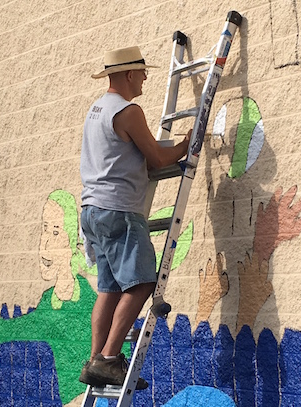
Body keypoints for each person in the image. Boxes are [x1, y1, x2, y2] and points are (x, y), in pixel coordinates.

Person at [78, 45, 190, 389]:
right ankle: (110, 358)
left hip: (92, 210)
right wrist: (188, 143)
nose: (145, 77)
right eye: (142, 71)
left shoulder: (96, 109)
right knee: (142, 282)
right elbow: (157, 157)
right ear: (128, 74)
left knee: (109, 289)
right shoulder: (128, 111)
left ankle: (96, 361)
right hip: (119, 210)